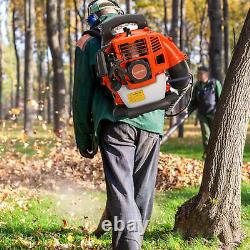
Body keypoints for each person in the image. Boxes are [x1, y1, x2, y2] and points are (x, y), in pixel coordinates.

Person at [72, 1, 165, 249]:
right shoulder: (145, 34)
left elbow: (81, 94)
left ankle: (128, 246)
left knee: (122, 191)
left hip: (115, 122)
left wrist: (84, 139)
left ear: (92, 19)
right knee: (142, 190)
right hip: (152, 121)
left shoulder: (88, 42)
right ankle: (132, 241)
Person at [188, 66, 222, 158]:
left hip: (214, 113)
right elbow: (194, 101)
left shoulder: (215, 83)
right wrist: (187, 112)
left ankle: (217, 154)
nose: (198, 76)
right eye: (198, 74)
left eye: (200, 74)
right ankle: (207, 154)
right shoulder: (197, 86)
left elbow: (221, 99)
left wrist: (221, 114)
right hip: (202, 114)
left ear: (206, 74)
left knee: (216, 134)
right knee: (206, 135)